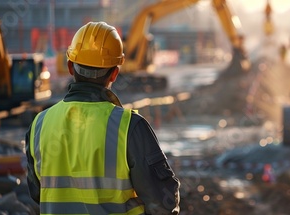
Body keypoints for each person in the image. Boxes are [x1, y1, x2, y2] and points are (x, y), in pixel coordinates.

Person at [25, 22, 180, 215]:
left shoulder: (39, 125)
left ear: (70, 67)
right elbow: (162, 202)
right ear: (115, 73)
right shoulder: (130, 127)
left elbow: (37, 193)